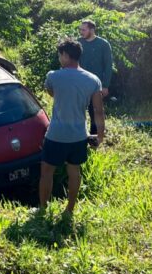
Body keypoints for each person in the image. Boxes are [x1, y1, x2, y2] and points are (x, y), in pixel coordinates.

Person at [39, 38, 105, 217]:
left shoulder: (53, 76)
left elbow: (52, 93)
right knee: (74, 171)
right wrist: (100, 135)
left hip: (56, 135)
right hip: (79, 135)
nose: (59, 58)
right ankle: (69, 210)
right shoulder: (93, 80)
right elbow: (98, 111)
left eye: (60, 55)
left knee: (47, 171)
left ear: (66, 55)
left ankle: (43, 209)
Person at [78, 19, 113, 135]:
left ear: (92, 30)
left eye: (84, 29)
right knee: (78, 109)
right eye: (80, 29)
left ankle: (94, 136)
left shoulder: (103, 44)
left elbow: (108, 66)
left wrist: (105, 85)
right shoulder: (78, 43)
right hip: (80, 82)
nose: (81, 32)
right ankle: (79, 134)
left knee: (95, 111)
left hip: (96, 84)